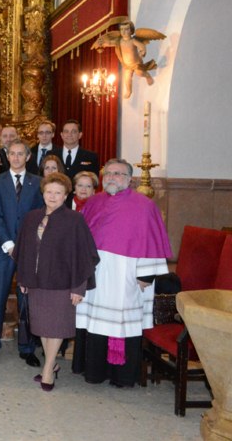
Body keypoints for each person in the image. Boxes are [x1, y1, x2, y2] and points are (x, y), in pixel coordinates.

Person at [74, 159, 171, 387]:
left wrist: (146, 275)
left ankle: (123, 376)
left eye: (117, 174)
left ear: (130, 178)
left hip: (127, 276)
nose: (111, 177)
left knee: (123, 324)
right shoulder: (94, 202)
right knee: (96, 324)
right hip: (97, 274)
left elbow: (152, 241)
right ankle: (95, 372)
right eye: (108, 173)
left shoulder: (144, 205)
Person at [14, 173, 99, 391]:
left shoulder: (74, 220)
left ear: (65, 195)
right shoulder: (31, 217)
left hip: (62, 284)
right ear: (43, 193)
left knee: (57, 328)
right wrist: (23, 277)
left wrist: (79, 287)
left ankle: (48, 369)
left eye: (58, 193)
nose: (52, 196)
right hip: (36, 283)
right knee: (43, 327)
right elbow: (22, 250)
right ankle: (50, 366)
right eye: (49, 192)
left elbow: (84, 256)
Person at [0, 140, 44, 367]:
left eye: (21, 154)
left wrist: (25, 245)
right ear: (7, 156)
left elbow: (39, 216)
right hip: (1, 249)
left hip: (29, 251)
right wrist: (9, 245)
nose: (16, 158)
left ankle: (27, 348)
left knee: (26, 299)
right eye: (13, 154)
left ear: (28, 157)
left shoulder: (37, 182)